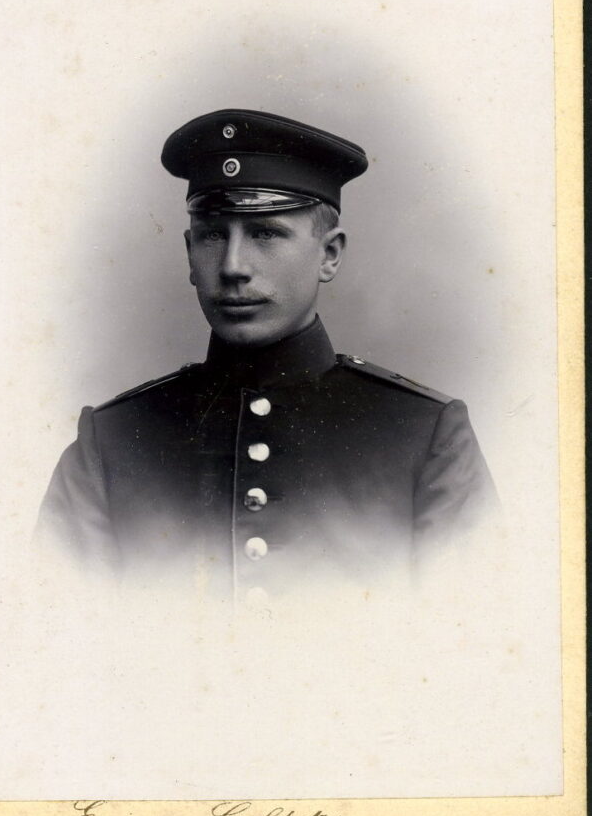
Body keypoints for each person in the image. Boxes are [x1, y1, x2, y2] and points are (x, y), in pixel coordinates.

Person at [37, 108, 497, 598]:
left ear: (329, 255)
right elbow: (59, 631)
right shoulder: (109, 444)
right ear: (190, 252)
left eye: (265, 233)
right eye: (214, 235)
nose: (233, 266)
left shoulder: (424, 435)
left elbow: (468, 633)